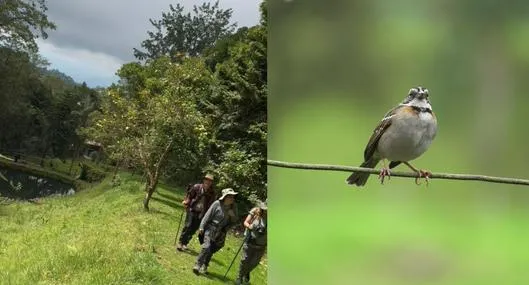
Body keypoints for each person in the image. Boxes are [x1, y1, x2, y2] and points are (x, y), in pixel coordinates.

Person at [192, 188, 239, 275]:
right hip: (211, 228)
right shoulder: (217, 204)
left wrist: (232, 216)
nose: (232, 198)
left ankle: (205, 265)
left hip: (221, 231)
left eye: (233, 196)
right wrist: (201, 227)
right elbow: (207, 215)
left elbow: (235, 221)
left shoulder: (234, 206)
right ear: (225, 197)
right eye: (230, 196)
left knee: (211, 249)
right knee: (206, 246)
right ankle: (198, 265)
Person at [176, 173, 216, 252]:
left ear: (211, 182)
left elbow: (211, 204)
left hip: (202, 213)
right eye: (206, 180)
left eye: (210, 181)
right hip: (192, 209)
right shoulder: (196, 187)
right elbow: (189, 196)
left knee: (194, 229)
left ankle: (185, 243)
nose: (208, 182)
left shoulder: (212, 193)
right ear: (204, 180)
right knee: (188, 226)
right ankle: (180, 243)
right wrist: (186, 202)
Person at [235, 199, 268, 285]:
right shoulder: (255, 211)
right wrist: (250, 226)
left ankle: (245, 273)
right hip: (250, 240)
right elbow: (245, 222)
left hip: (262, 244)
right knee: (245, 260)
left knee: (254, 263)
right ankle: (239, 277)